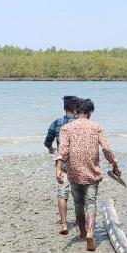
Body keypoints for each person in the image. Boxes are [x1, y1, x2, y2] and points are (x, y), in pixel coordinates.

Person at [56, 98, 120, 251]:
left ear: (77, 112)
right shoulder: (96, 127)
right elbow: (106, 148)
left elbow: (63, 150)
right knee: (91, 202)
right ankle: (91, 232)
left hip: (74, 172)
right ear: (90, 113)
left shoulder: (66, 128)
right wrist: (114, 164)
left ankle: (83, 233)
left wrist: (59, 168)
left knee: (78, 203)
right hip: (92, 171)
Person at [45, 95, 80, 235]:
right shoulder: (81, 124)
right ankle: (79, 220)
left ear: (65, 108)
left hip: (62, 164)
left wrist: (50, 148)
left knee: (62, 193)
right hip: (79, 164)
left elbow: (47, 140)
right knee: (79, 194)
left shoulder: (56, 123)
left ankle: (64, 224)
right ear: (77, 108)